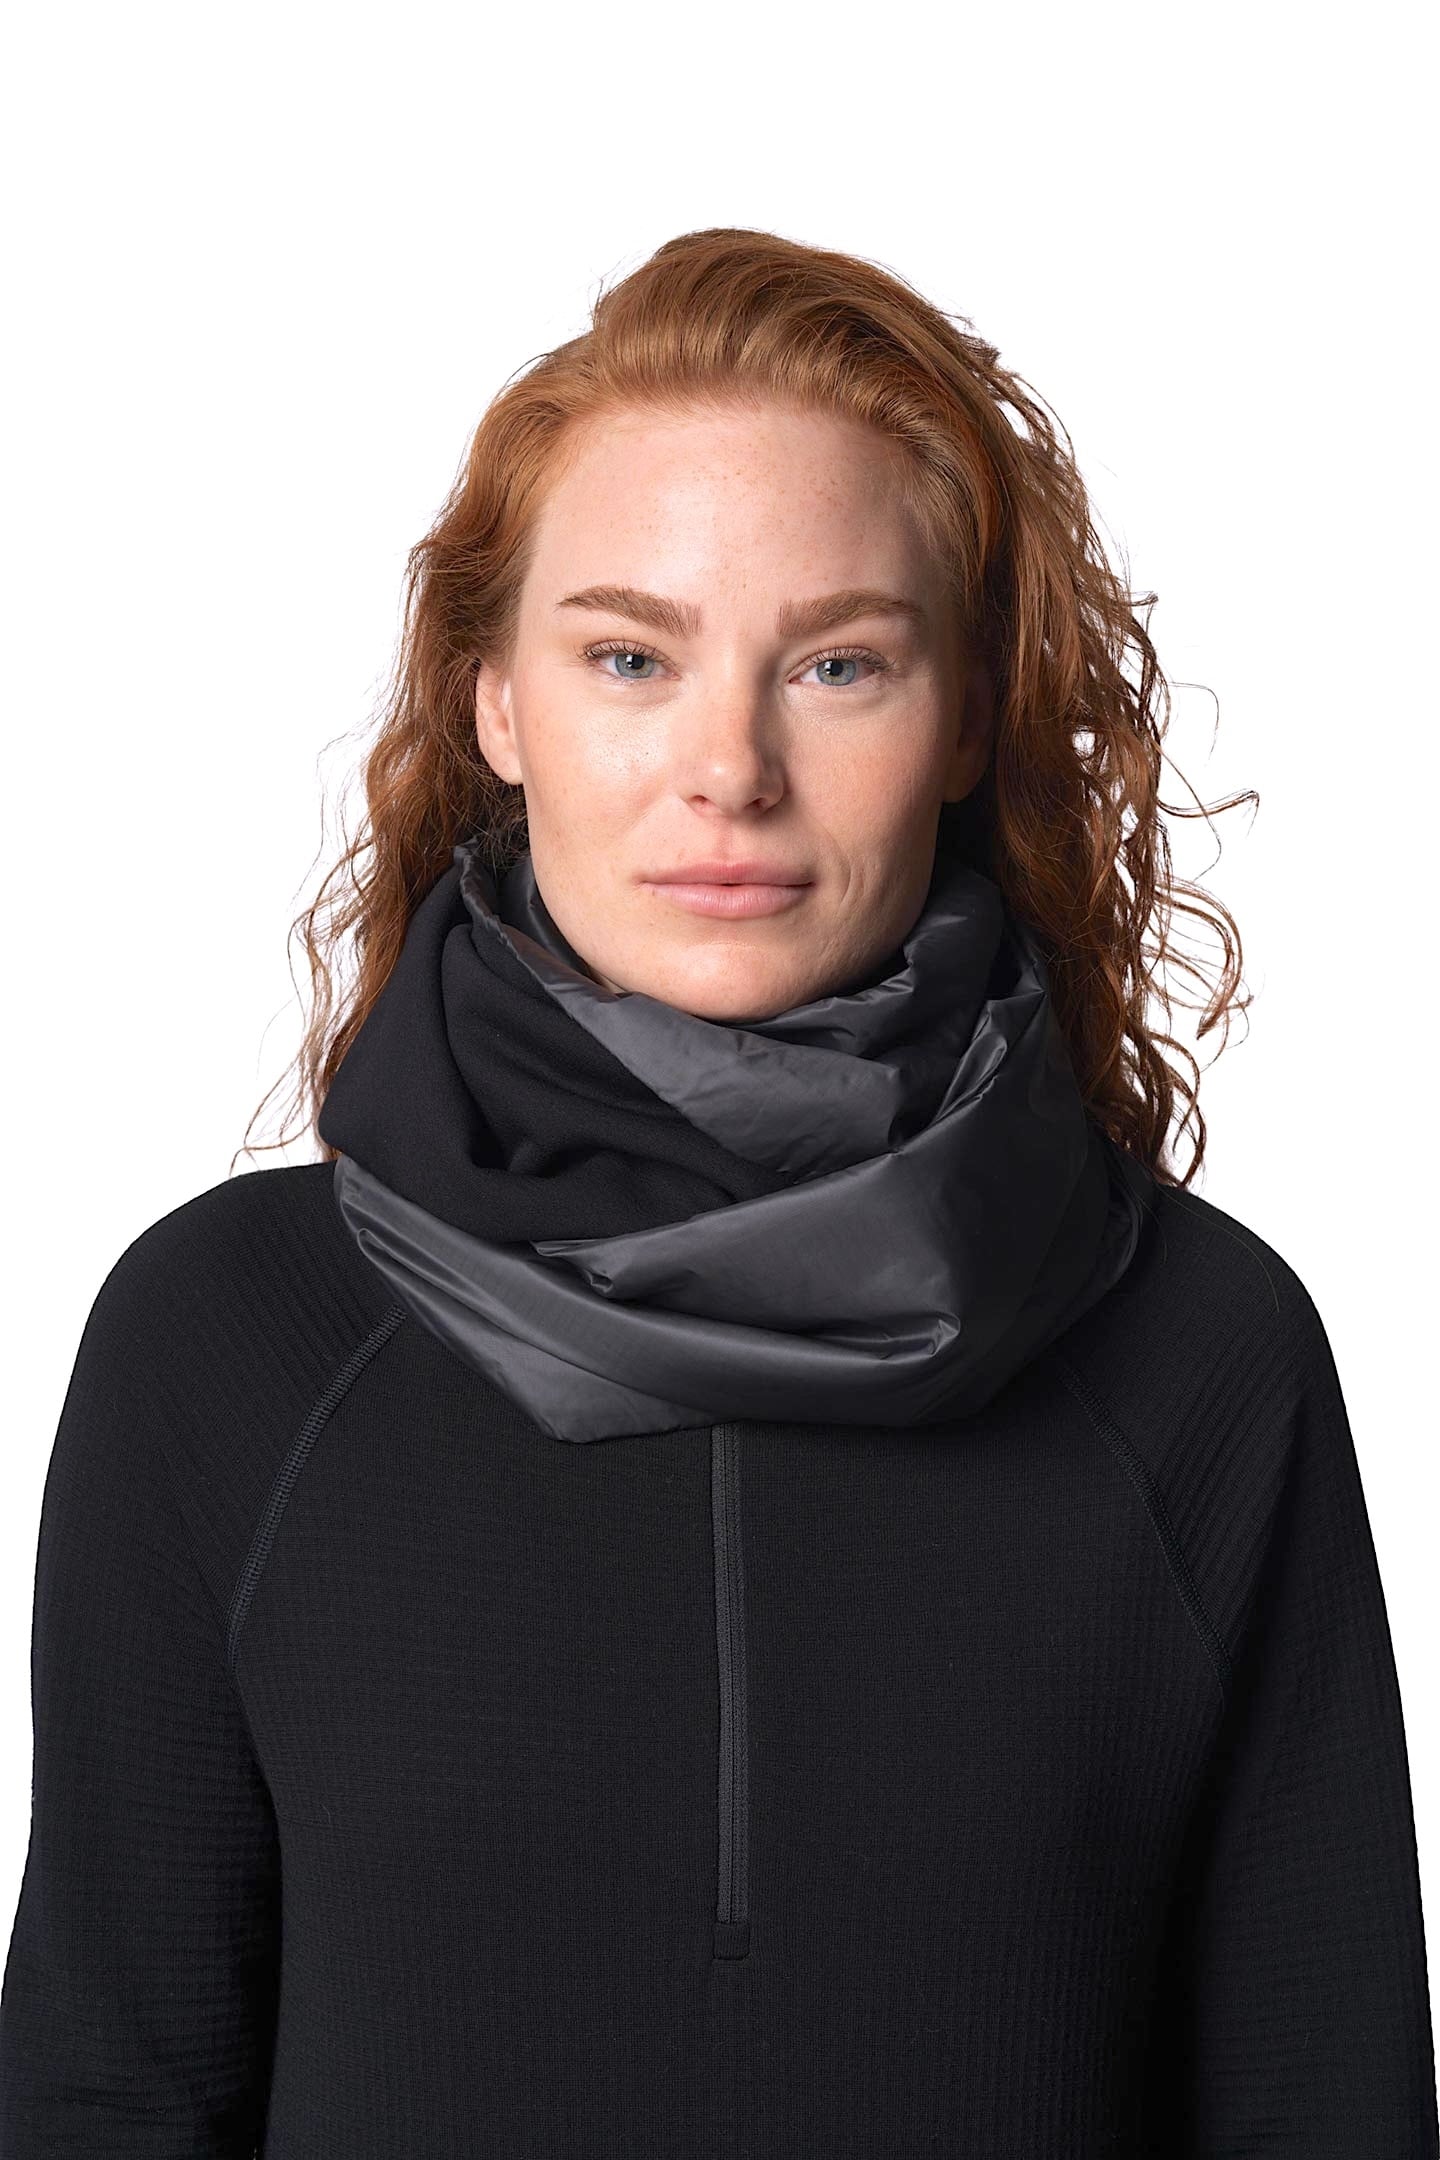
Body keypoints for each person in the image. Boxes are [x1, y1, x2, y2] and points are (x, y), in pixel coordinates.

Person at [1, 226, 1434, 2158]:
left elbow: (1331, 2103)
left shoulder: (1200, 1349)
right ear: (497, 705)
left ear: (963, 717)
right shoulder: (224, 1341)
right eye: (629, 657)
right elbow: (103, 2093)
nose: (730, 768)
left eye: (839, 663)